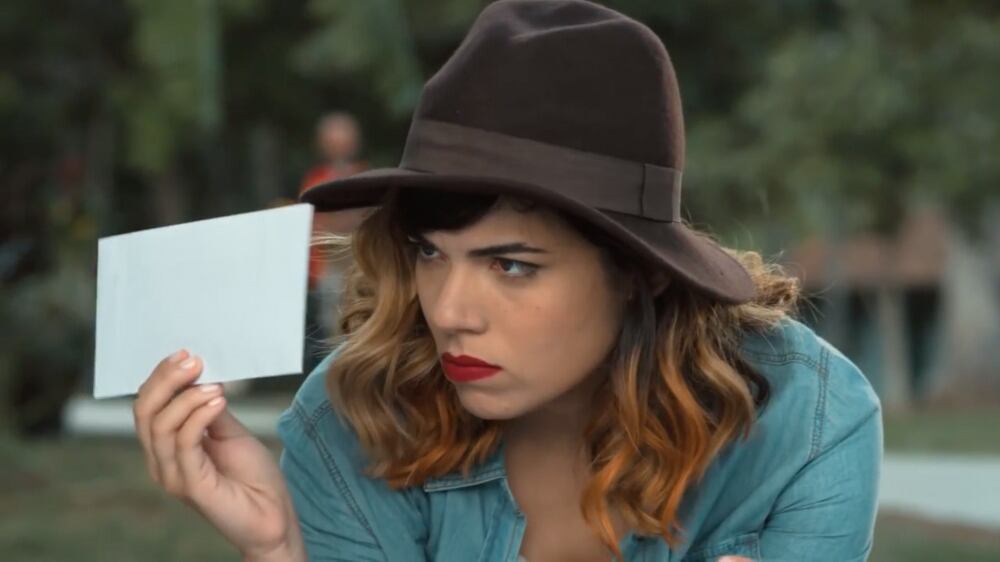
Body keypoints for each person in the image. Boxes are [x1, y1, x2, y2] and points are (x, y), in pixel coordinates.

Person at [131, 2, 882, 561]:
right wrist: (280, 552)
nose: (451, 313)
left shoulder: (809, 422)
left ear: (639, 271)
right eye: (430, 254)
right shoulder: (351, 420)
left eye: (511, 265)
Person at [299, 111, 372, 372]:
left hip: (361, 265)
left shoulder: (366, 177)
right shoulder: (315, 180)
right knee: (331, 330)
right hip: (329, 268)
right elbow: (314, 224)